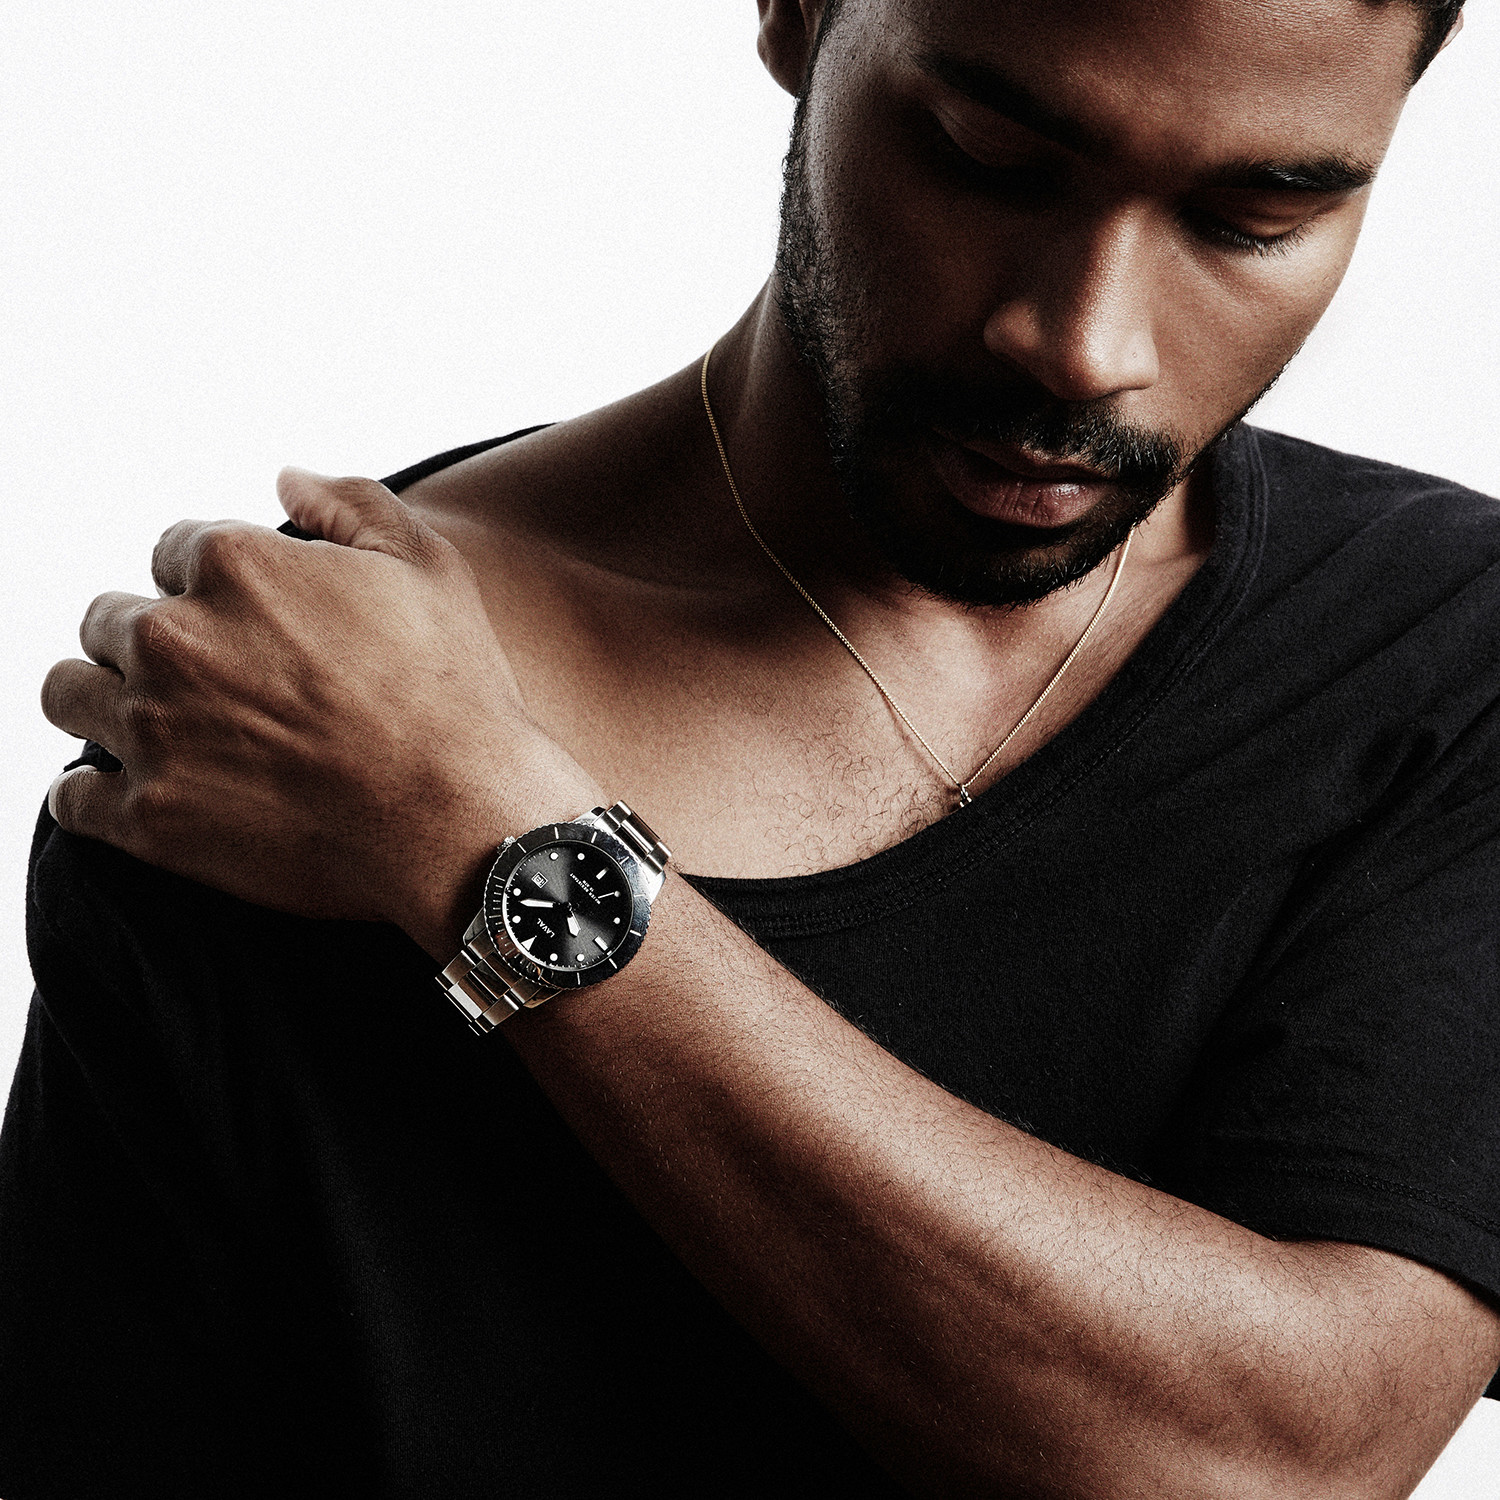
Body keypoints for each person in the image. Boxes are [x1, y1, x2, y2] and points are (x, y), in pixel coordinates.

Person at [4, 0, 1498, 1495]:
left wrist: (478, 829)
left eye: (1251, 222)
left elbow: (1291, 1461)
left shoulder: (1445, 653)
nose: (1080, 345)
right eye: (988, 158)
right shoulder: (279, 726)